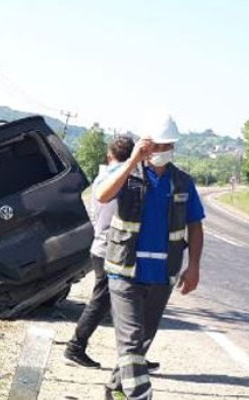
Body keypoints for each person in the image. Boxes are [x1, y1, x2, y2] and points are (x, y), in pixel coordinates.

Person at [96, 117, 204, 400]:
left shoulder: (182, 182)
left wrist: (193, 266)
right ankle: (140, 395)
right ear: (145, 143)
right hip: (124, 272)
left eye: (168, 144)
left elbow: (195, 225)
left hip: (162, 275)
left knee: (141, 342)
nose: (162, 148)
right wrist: (132, 161)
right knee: (131, 342)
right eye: (157, 143)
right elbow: (102, 195)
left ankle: (113, 389)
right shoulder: (125, 172)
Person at [64, 136, 138, 368]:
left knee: (125, 304)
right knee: (102, 301)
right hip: (111, 248)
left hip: (103, 246)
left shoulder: (105, 176)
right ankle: (75, 347)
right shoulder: (124, 181)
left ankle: (134, 356)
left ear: (109, 154)